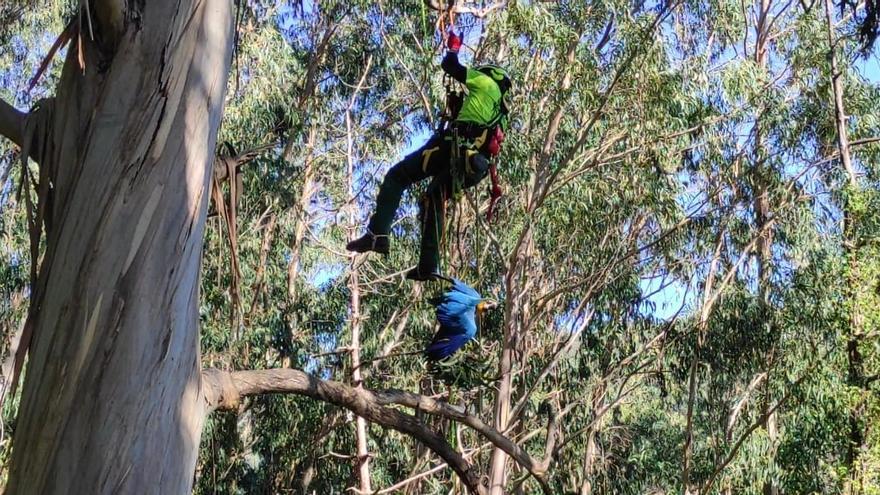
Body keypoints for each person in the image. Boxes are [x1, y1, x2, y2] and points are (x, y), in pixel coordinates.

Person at [346, 30, 511, 281]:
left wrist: (454, 47)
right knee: (434, 199)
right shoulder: (501, 113)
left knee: (397, 176)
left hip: (453, 149)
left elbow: (450, 66)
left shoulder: (485, 83)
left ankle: (377, 234)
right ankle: (427, 266)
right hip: (475, 167)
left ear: (490, 75)